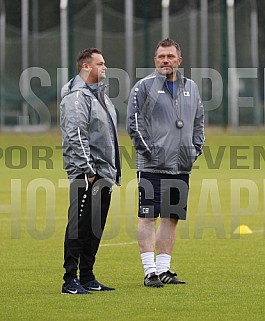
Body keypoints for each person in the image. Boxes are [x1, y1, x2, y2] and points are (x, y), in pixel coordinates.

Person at [126, 38, 205, 287]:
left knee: (171, 218)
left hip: (181, 166)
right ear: (155, 60)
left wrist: (195, 150)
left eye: (170, 56)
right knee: (148, 217)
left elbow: (199, 120)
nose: (166, 60)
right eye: (161, 56)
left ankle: (164, 270)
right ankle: (150, 271)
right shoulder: (143, 87)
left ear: (179, 60)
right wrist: (150, 153)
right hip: (152, 166)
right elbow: (134, 124)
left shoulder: (191, 87)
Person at [60, 48, 121, 294]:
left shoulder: (101, 96)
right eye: (100, 63)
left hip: (104, 173)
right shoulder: (77, 96)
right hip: (87, 174)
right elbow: (75, 134)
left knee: (95, 227)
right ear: (86, 66)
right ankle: (69, 280)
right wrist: (88, 170)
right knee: (79, 226)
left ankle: (87, 276)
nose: (105, 67)